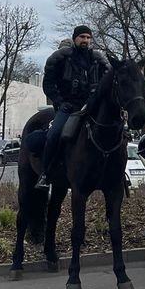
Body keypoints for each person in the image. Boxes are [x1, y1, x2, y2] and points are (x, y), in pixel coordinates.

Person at [36, 26, 110, 189]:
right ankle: (46, 174)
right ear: (75, 38)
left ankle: (116, 174)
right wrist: (59, 102)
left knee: (114, 131)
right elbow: (48, 84)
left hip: (91, 107)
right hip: (69, 108)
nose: (85, 40)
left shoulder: (97, 60)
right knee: (54, 134)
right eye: (82, 37)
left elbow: (106, 84)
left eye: (88, 38)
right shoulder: (62, 59)